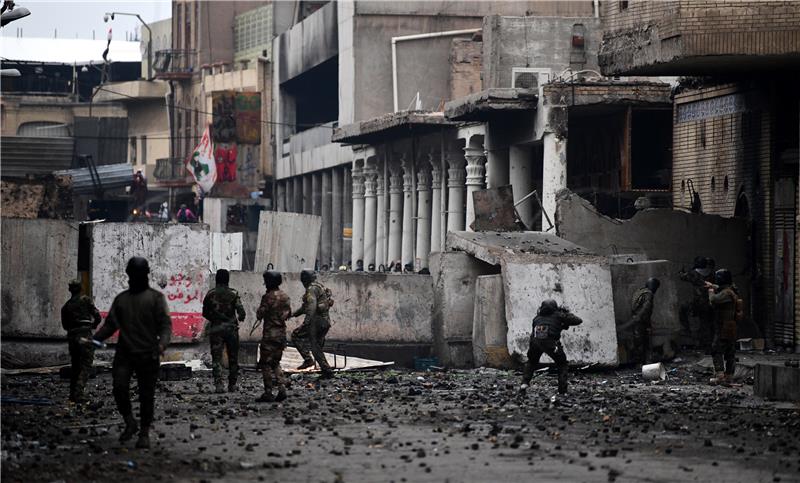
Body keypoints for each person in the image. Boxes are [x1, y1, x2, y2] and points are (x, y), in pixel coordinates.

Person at [92, 257, 171, 449]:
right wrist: (96, 340)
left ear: (144, 275)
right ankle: (130, 422)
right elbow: (110, 324)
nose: (134, 277)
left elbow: (165, 325)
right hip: (125, 354)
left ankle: (144, 432)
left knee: (146, 395)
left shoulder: (156, 299)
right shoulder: (122, 300)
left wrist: (162, 345)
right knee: (119, 389)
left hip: (148, 354)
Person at [521, 300, 583, 394]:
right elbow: (578, 320)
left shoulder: (536, 318)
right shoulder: (559, 315)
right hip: (550, 343)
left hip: (535, 342)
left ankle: (524, 384)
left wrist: (531, 350)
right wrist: (565, 313)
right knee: (562, 364)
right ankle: (562, 391)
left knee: (531, 362)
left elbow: (533, 334)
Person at [202, 269, 246, 393]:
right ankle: (232, 385)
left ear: (217, 279)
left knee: (216, 358)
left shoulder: (210, 294)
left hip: (216, 330)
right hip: (231, 330)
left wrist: (215, 319)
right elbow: (241, 312)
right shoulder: (233, 293)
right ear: (227, 279)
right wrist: (238, 318)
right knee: (233, 357)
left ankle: (219, 385)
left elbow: (205, 313)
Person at [61, 279, 102, 403]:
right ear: (81, 288)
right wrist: (93, 325)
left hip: (72, 337)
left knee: (75, 365)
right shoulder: (86, 300)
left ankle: (72, 394)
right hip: (84, 335)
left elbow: (65, 325)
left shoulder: (66, 307)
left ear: (70, 289)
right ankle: (79, 393)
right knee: (86, 364)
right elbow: (97, 316)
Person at [255, 271, 292, 402]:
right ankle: (282, 388)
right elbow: (288, 314)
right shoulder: (285, 296)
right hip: (281, 334)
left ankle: (268, 392)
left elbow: (260, 314)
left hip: (270, 335)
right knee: (276, 362)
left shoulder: (268, 297)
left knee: (265, 363)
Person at [291, 270, 334, 378]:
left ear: (304, 280)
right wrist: (293, 315)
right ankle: (326, 370)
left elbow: (311, 307)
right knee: (317, 347)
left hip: (317, 322)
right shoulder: (319, 287)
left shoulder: (311, 289)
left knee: (296, 335)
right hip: (325, 322)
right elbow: (304, 307)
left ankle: (308, 360)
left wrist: (307, 322)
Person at [707, 269, 739, 384]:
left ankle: (720, 375)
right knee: (730, 351)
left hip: (723, 326)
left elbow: (714, 299)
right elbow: (722, 289)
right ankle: (729, 375)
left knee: (717, 349)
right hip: (730, 325)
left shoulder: (726, 293)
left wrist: (710, 290)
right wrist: (713, 286)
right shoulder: (731, 290)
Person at [619, 278, 660, 364]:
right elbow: (646, 310)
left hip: (636, 319)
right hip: (641, 321)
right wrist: (648, 324)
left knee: (638, 341)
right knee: (643, 343)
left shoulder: (640, 291)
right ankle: (642, 363)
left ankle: (638, 362)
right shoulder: (649, 294)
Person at [679, 256, 714, 348]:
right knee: (706, 323)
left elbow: (682, 277)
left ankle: (688, 332)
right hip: (711, 302)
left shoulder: (694, 274)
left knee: (683, 309)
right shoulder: (711, 273)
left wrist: (681, 271)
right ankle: (707, 343)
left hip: (699, 302)